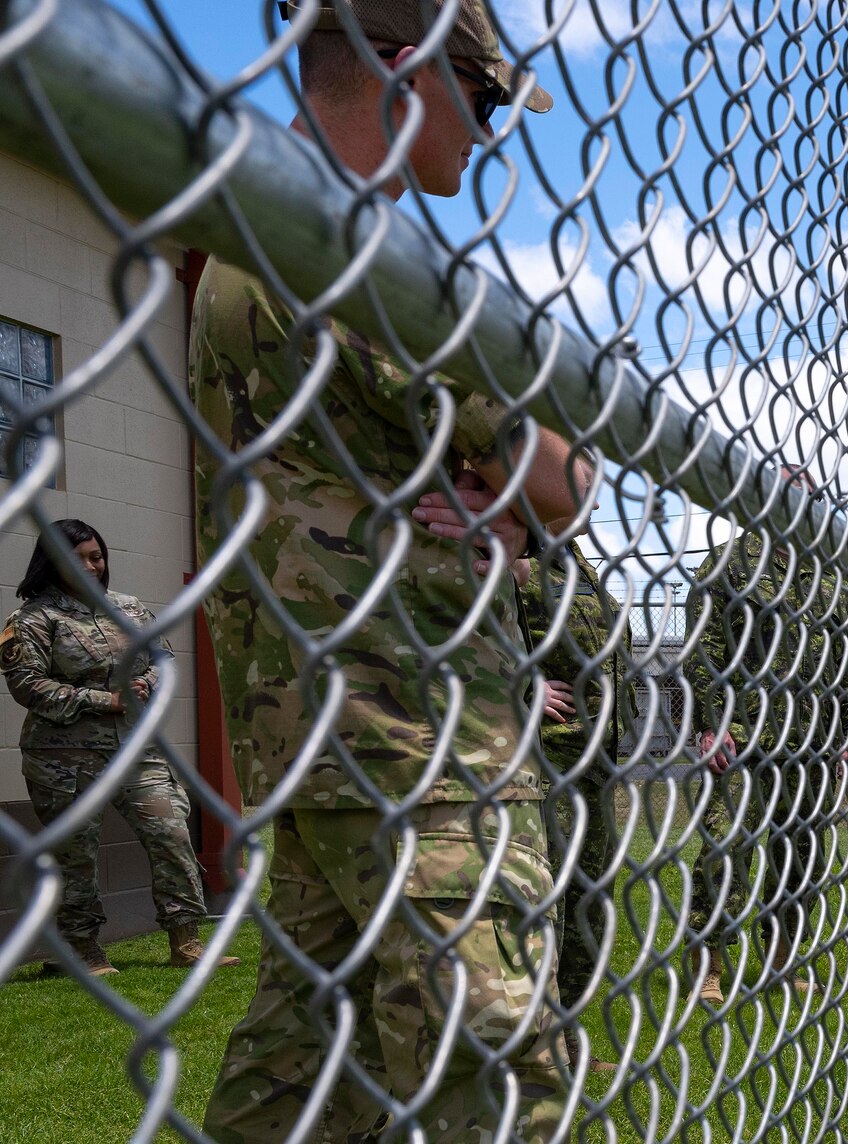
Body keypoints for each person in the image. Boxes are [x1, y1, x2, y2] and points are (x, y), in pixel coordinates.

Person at [190, 4, 588, 1140]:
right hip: (420, 738)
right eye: (489, 93)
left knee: (304, 1060)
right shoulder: (370, 255)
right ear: (405, 66)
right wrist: (514, 498)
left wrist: (500, 495)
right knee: (499, 1061)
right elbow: (565, 477)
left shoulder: (239, 238)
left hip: (303, 727)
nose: (494, 128)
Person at [2, 519, 237, 976]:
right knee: (75, 855)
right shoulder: (32, 619)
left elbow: (164, 659)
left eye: (96, 555)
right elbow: (28, 685)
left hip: (137, 753)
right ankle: (81, 952)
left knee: (171, 834)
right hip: (64, 760)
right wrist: (106, 699)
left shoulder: (129, 608)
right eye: (78, 557)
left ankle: (186, 941)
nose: (91, 565)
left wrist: (145, 683)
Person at [682, 468, 848, 1006]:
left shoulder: (832, 580)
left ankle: (781, 965)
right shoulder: (727, 565)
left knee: (798, 859)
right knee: (726, 851)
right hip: (742, 737)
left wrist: (847, 734)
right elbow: (700, 651)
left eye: (809, 497)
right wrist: (710, 724)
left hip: (810, 743)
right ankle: (706, 968)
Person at [515, 540, 622, 1037]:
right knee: (544, 903)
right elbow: (453, 626)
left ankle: (567, 1034)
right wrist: (518, 680)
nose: (594, 494)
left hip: (596, 760)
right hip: (543, 758)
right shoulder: (508, 542)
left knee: (589, 899)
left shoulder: (575, 560)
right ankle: (533, 1044)